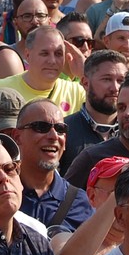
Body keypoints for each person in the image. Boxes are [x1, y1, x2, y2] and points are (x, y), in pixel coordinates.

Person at [13, 98, 94, 234]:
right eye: (41, 127)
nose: (53, 136)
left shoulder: (81, 204)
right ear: (17, 137)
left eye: (60, 129)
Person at [61, 50, 127, 171]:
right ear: (85, 83)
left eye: (121, 81)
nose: (115, 88)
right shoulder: (62, 131)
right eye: (107, 79)